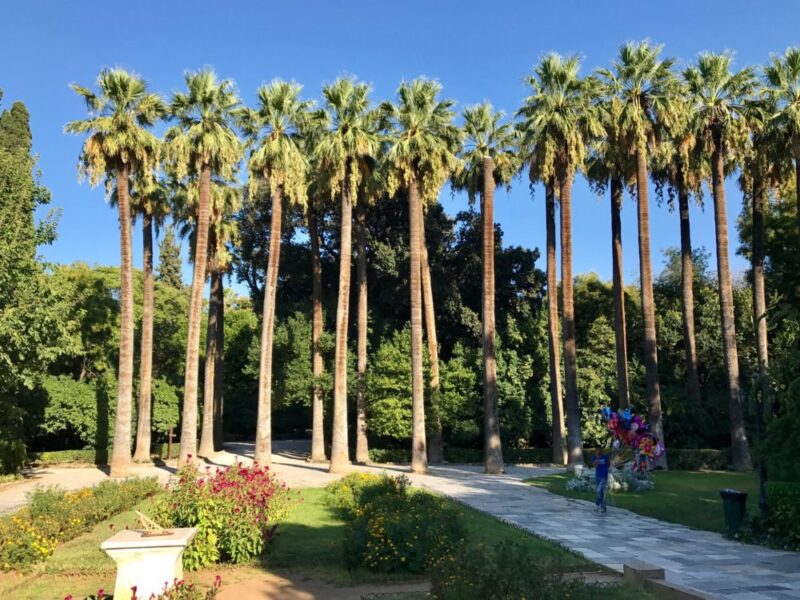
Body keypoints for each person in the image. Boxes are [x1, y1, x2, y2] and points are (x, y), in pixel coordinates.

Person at [593, 448, 610, 513]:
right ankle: (602, 507)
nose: (599, 452)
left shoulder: (605, 457)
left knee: (599, 491)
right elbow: (595, 466)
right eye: (597, 451)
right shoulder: (594, 457)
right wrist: (597, 458)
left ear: (602, 451)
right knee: (600, 492)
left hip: (604, 477)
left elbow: (608, 465)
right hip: (597, 476)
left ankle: (598, 505)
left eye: (600, 451)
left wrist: (609, 469)